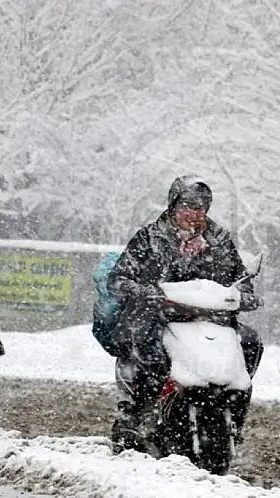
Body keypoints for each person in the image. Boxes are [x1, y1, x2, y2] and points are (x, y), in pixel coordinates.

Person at [108, 175, 264, 452]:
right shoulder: (150, 237)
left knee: (250, 343)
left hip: (211, 320)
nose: (194, 213)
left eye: (201, 207)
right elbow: (118, 278)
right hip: (159, 316)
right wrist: (144, 291)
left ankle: (234, 412)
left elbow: (241, 278)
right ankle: (137, 413)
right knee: (147, 347)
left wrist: (246, 295)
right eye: (187, 205)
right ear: (172, 206)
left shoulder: (219, 239)